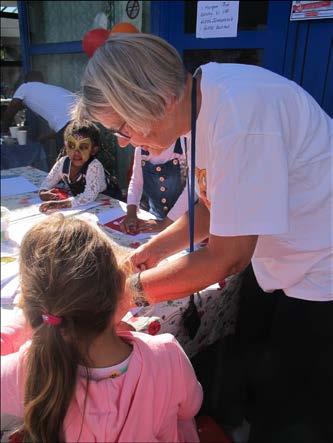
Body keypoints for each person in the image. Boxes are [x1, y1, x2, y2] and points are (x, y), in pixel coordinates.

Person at [74, 33, 333, 442]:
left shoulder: (238, 117)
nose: (123, 141)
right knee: (254, 370)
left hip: (322, 266)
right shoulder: (199, 102)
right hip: (280, 260)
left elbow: (227, 256)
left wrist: (131, 292)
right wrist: (155, 249)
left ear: (153, 99)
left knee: (294, 406)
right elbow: (214, 204)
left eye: (121, 127)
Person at [0, 214, 202, 443]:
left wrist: (29, 320)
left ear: (33, 305)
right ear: (121, 287)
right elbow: (190, 409)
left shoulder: (27, 368)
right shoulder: (167, 354)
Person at [121, 138, 189, 234]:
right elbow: (136, 182)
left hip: (186, 221)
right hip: (156, 216)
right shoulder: (141, 150)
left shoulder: (184, 146)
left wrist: (165, 224)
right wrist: (131, 213)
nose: (142, 146)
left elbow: (191, 190)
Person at [38, 120, 108, 212]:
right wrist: (43, 192)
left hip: (103, 204)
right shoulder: (63, 162)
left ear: (93, 150)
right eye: (71, 145)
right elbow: (48, 181)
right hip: (79, 205)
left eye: (83, 147)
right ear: (65, 147)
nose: (76, 152)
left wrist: (60, 204)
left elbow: (89, 196)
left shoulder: (94, 166)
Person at [2, 71, 75, 152]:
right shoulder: (53, 90)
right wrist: (45, 137)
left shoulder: (25, 87)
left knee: (67, 161)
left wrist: (4, 131)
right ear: (43, 81)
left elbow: (11, 110)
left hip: (70, 127)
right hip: (84, 122)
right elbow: (63, 124)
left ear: (26, 81)